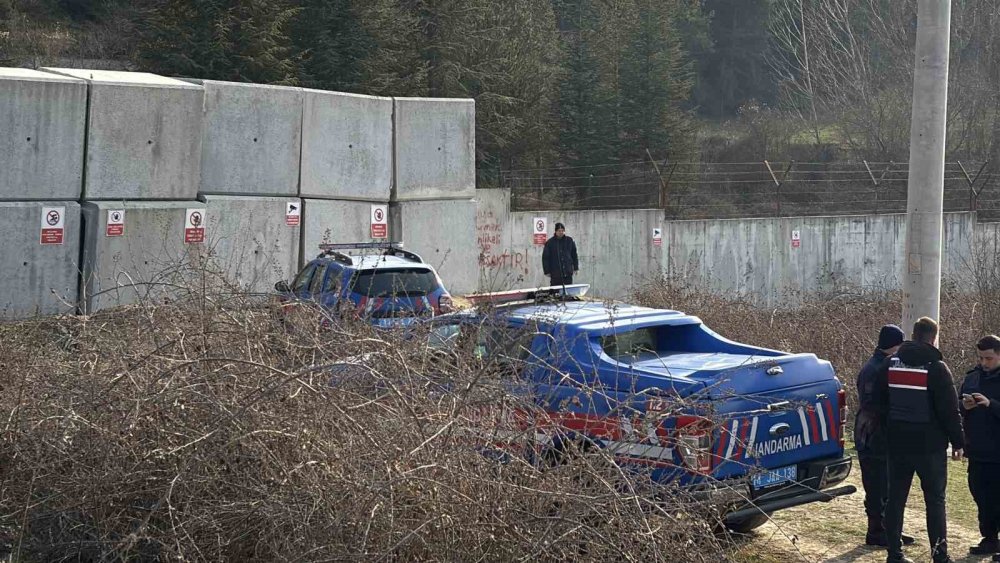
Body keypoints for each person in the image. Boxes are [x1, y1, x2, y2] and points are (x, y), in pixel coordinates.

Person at [873, 317, 964, 563]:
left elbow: (877, 403)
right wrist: (958, 442)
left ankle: (894, 554)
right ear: (933, 337)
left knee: (896, 499)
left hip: (898, 444)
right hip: (930, 447)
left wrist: (887, 430)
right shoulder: (936, 368)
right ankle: (939, 557)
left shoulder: (889, 364)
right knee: (935, 501)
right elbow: (949, 411)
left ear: (913, 335)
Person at [855, 324, 915, 547]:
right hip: (872, 435)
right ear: (894, 346)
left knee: (886, 486)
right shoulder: (875, 369)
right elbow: (872, 404)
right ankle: (877, 531)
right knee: (877, 486)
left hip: (878, 434)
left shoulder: (880, 365)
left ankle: (889, 530)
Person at [961, 335, 1000, 555]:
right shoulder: (973, 377)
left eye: (990, 358)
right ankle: (989, 538)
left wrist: (990, 404)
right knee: (981, 495)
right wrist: (965, 405)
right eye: (982, 358)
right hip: (977, 449)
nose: (985, 363)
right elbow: (956, 403)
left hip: (998, 450)